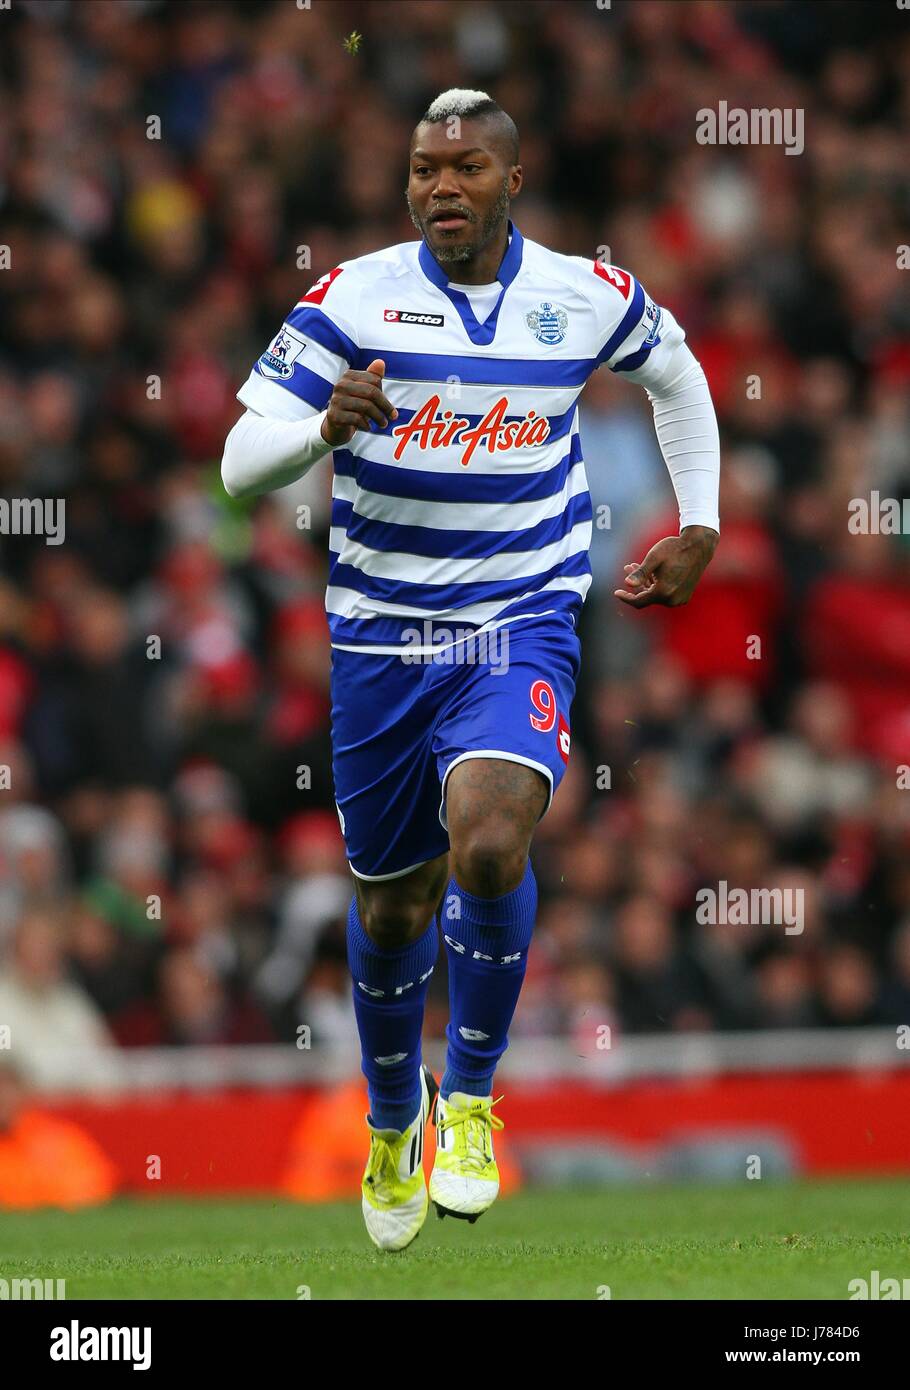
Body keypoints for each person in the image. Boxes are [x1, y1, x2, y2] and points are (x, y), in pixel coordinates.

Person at [221, 89, 720, 1250]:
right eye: (422, 168)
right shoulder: (353, 297)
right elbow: (242, 463)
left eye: (464, 167)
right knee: (393, 905)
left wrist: (697, 519)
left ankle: (475, 1102)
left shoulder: (581, 295)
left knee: (490, 838)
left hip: (519, 619)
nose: (441, 185)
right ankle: (394, 1116)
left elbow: (679, 373)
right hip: (380, 642)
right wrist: (320, 429)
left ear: (512, 180)